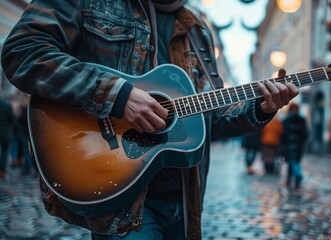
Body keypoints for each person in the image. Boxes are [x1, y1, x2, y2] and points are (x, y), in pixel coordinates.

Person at [1, 0, 299, 239]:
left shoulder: (197, 30)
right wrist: (117, 97)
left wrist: (259, 110)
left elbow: (208, 120)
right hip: (124, 202)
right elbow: (23, 51)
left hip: (184, 202)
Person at [280, 102, 308, 189]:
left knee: (292, 161)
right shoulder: (302, 119)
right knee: (294, 161)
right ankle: (290, 180)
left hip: (289, 144)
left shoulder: (287, 119)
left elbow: (283, 133)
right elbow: (305, 133)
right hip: (299, 144)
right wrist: (302, 141)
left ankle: (298, 175)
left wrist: (283, 142)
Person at [0, 96, 15, 180]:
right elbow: (12, 120)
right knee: (5, 152)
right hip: (5, 133)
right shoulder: (6, 105)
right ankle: (2, 171)